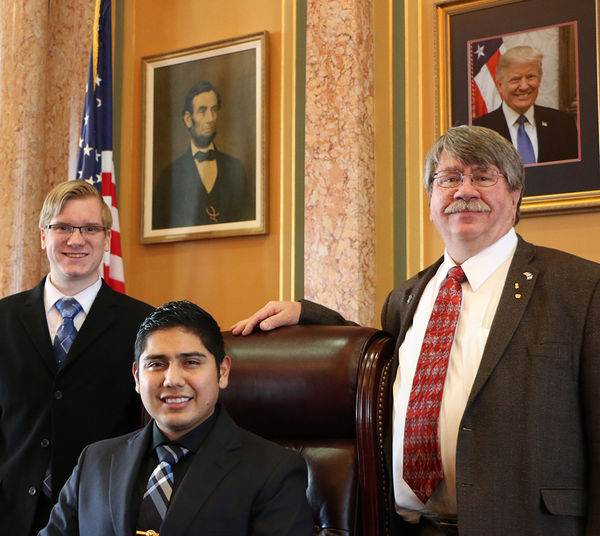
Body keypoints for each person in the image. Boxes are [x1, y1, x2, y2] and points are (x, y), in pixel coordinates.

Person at [232, 125, 600, 535]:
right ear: (430, 199)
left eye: (483, 176)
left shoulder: (581, 288)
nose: (464, 190)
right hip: (408, 527)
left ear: (515, 196)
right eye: (449, 178)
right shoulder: (406, 297)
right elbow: (385, 366)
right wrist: (308, 315)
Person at [40, 300, 314, 536]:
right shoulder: (95, 461)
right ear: (137, 377)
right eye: (156, 364)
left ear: (222, 372)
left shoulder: (273, 471)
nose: (172, 380)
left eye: (191, 363)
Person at [0, 181, 154, 536]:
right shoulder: (3, 319)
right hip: (10, 514)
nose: (76, 239)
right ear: (44, 236)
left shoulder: (144, 324)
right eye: (63, 227)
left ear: (107, 239)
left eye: (89, 229)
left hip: (101, 513)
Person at [153, 80, 254, 229]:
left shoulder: (236, 169)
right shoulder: (168, 177)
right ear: (188, 119)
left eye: (214, 110)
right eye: (202, 111)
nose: (210, 118)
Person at [473, 45, 579, 164]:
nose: (524, 86)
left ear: (539, 80)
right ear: (500, 86)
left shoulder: (563, 123)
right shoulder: (479, 131)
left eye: (530, 77)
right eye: (515, 79)